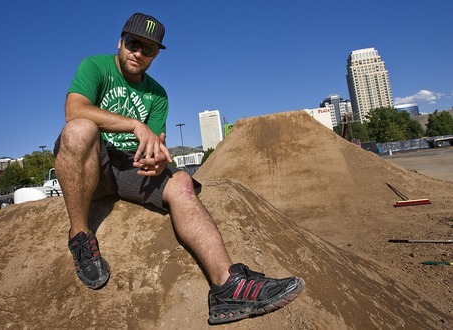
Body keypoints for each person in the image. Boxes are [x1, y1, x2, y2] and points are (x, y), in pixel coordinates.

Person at [54, 12, 305, 325]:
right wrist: (134, 125)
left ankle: (228, 286)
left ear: (156, 54)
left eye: (148, 49)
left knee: (183, 182)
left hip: (131, 169)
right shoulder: (95, 67)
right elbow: (73, 109)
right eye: (133, 44)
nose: (138, 53)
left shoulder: (158, 94)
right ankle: (80, 236)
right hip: (96, 160)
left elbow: (156, 141)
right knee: (80, 130)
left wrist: (158, 158)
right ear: (120, 41)